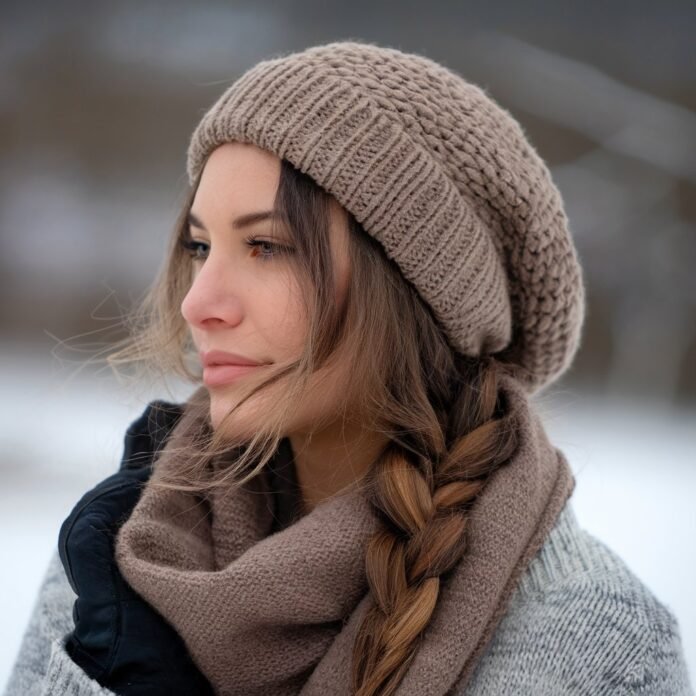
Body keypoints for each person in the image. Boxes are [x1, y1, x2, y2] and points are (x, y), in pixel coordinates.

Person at [5, 40, 693, 696]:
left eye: (268, 247)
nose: (198, 302)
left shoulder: (595, 645)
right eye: (200, 245)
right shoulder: (112, 558)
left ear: (415, 291)